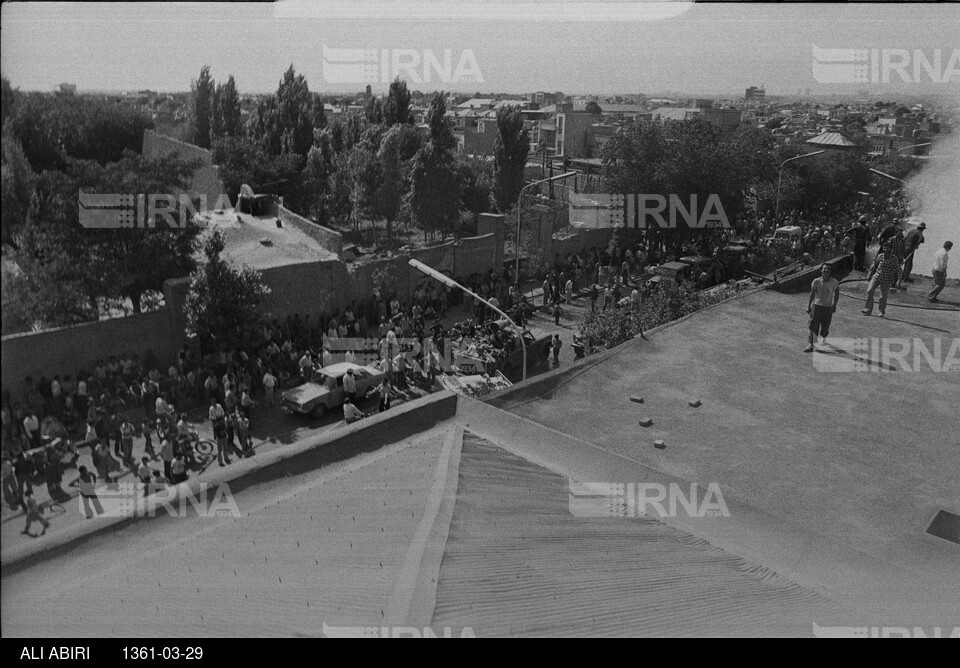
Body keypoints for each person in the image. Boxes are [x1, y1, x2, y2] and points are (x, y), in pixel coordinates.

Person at [805, 264, 840, 353]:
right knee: (813, 325)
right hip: (816, 306)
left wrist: (834, 305)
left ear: (830, 271)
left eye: (828, 269)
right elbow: (812, 294)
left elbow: (836, 294)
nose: (826, 271)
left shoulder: (834, 282)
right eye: (824, 269)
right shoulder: (816, 281)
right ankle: (811, 344)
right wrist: (808, 305)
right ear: (821, 270)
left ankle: (823, 337)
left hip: (827, 307)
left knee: (825, 325)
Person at [862, 245, 901, 317]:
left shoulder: (894, 258)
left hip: (887, 279)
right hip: (877, 277)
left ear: (890, 249)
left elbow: (899, 270)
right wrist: (869, 274)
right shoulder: (880, 256)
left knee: (883, 296)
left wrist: (899, 280)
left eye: (887, 248)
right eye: (884, 248)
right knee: (870, 290)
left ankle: (881, 311)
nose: (885, 250)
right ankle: (867, 309)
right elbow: (873, 266)